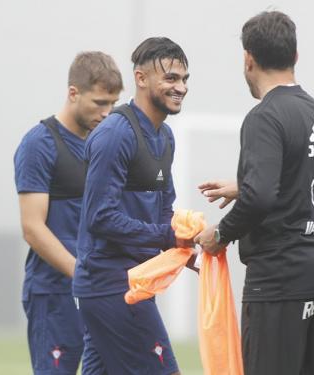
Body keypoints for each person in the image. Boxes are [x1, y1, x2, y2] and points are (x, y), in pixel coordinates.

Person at [195, 11, 314, 375]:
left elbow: (261, 196)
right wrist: (244, 187)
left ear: (248, 60)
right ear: (295, 57)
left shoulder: (265, 116)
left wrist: (220, 234)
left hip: (281, 282)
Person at [73, 37, 192, 375]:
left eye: (184, 79)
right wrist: (168, 236)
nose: (180, 87)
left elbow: (165, 210)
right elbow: (101, 218)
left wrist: (186, 245)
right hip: (110, 285)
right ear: (141, 79)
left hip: (136, 281)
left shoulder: (165, 137)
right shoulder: (116, 134)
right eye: (170, 78)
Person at [14, 52, 123, 375]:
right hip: (55, 293)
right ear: (73, 93)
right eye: (100, 103)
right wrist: (82, 275)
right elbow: (32, 228)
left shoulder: (106, 144)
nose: (107, 113)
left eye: (113, 104)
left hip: (101, 291)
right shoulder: (39, 143)